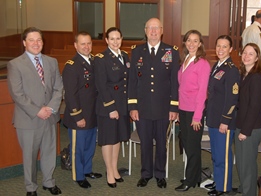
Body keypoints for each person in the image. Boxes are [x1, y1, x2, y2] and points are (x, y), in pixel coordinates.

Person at [7, 27, 63, 196]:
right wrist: (38, 110)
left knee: (49, 151)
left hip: (50, 116)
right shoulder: (15, 64)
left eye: (39, 40)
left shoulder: (51, 62)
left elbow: (58, 88)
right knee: (30, 156)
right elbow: (17, 94)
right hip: (29, 119)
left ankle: (48, 182)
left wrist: (51, 108)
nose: (36, 43)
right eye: (31, 40)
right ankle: (31, 187)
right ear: (24, 43)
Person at [128, 17, 180, 188]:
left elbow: (174, 81)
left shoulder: (171, 51)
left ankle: (160, 174)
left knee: (161, 144)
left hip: (163, 108)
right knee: (145, 143)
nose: (153, 31)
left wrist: (174, 106)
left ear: (161, 30)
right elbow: (132, 81)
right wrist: (133, 106)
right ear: (145, 30)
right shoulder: (136, 52)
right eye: (150, 28)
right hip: (142, 108)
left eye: (156, 28)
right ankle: (146, 173)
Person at [62, 31, 102, 189]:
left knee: (90, 145)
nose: (87, 46)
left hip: (92, 113)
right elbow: (70, 95)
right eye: (83, 43)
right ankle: (78, 176)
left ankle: (87, 170)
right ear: (76, 45)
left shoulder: (93, 61)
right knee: (78, 148)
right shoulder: (72, 66)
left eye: (89, 43)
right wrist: (78, 116)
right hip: (78, 116)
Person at [94, 27, 130, 188]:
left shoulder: (124, 56)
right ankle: (109, 171)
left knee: (118, 138)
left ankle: (115, 168)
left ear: (121, 39)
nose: (116, 42)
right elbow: (101, 86)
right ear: (107, 40)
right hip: (108, 106)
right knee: (108, 140)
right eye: (112, 39)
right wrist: (110, 108)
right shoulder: (101, 58)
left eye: (118, 38)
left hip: (122, 105)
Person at [174, 30, 210, 192]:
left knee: (193, 147)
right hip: (183, 110)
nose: (192, 44)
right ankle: (195, 176)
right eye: (189, 40)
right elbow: (182, 88)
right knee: (188, 145)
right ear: (185, 43)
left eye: (195, 41)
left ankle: (189, 180)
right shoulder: (186, 60)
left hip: (194, 112)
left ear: (200, 44)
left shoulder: (202, 64)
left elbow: (202, 92)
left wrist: (197, 117)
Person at [205, 35, 240, 195]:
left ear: (231, 49)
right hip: (214, 118)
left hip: (223, 121)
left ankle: (223, 187)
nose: (220, 49)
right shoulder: (218, 66)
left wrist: (225, 121)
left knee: (223, 157)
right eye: (218, 46)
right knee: (216, 155)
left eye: (224, 46)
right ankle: (218, 181)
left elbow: (232, 99)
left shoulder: (232, 70)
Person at [235, 43, 261, 196]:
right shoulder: (243, 75)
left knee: (247, 165)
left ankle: (249, 193)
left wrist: (245, 131)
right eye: (244, 53)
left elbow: (254, 107)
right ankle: (246, 189)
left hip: (251, 128)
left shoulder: (256, 78)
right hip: (241, 124)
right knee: (241, 162)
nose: (246, 56)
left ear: (257, 58)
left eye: (251, 54)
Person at [242, 9, 261, 74]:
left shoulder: (246, 29)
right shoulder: (259, 31)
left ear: (256, 17)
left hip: (246, 63)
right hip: (256, 66)